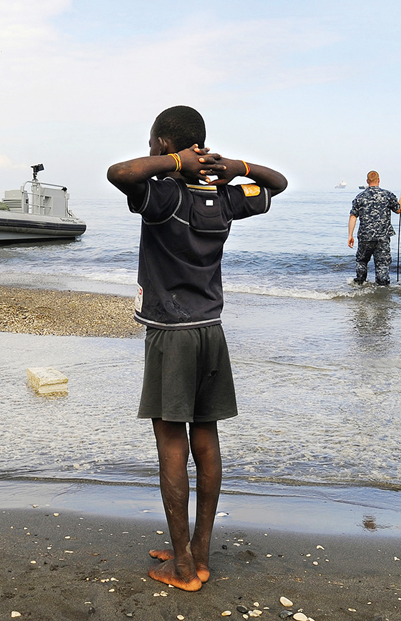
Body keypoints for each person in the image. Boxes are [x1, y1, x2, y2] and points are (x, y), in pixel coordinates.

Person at [107, 106, 287, 592]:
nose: (149, 150)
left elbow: (118, 173)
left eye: (153, 143)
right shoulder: (222, 198)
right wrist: (238, 169)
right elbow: (278, 183)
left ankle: (183, 569)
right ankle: (195, 552)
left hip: (171, 334)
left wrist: (174, 163)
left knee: (171, 443)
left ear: (166, 145)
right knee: (204, 438)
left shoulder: (162, 196)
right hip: (211, 331)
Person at [347, 171, 401, 286]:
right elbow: (398, 209)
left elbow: (353, 216)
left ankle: (360, 284)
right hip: (382, 237)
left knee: (362, 261)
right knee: (382, 264)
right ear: (379, 180)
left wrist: (350, 235)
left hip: (365, 236)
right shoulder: (387, 195)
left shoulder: (360, 197)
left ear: (367, 181)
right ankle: (382, 290)